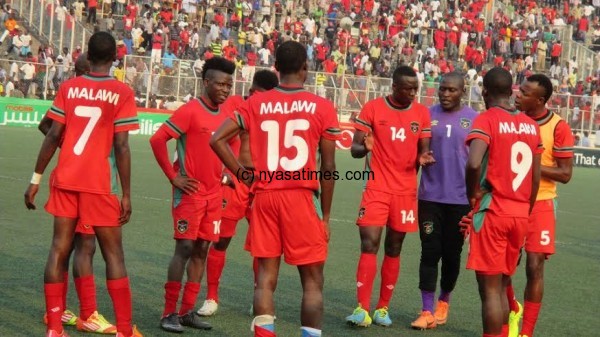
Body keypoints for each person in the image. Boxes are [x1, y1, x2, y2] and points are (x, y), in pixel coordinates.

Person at [210, 40, 340, 337]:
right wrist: (326, 217)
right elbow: (328, 168)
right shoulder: (322, 107)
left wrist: (243, 175)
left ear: (276, 69)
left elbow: (216, 139)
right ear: (306, 68)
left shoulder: (255, 103)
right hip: (302, 199)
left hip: (265, 198)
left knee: (265, 278)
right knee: (312, 281)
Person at [24, 31, 142, 337]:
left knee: (58, 250)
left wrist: (35, 179)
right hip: (100, 185)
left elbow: (50, 134)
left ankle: (54, 329)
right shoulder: (122, 92)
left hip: (65, 181)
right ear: (115, 59)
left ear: (87, 57)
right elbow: (122, 147)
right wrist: (126, 193)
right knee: (113, 255)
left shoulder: (70, 87)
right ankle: (125, 332)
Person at [149, 56, 236, 333]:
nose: (225, 89)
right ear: (206, 82)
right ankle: (168, 313)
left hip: (214, 196)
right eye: (220, 84)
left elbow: (229, 149)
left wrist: (226, 175)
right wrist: (173, 176)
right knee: (184, 249)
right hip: (190, 194)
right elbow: (157, 139)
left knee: (201, 250)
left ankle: (187, 311)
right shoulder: (190, 111)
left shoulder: (225, 116)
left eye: (229, 85)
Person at [346, 65, 435, 327]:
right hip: (376, 188)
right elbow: (354, 149)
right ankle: (362, 308)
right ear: (394, 87)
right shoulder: (372, 108)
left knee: (394, 247)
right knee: (369, 242)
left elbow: (424, 149)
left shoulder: (421, 113)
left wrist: (424, 157)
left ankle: (382, 308)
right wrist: (364, 147)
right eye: (408, 88)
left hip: (405, 192)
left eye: (415, 89)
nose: (412, 93)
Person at [37, 52, 117, 334]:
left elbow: (46, 126)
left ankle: (57, 315)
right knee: (82, 246)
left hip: (80, 177)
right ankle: (86, 314)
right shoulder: (83, 91)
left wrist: (68, 148)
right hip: (85, 181)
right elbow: (46, 126)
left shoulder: (78, 92)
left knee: (70, 246)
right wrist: (72, 150)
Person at [463, 67, 542, 337]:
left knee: (490, 291)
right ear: (512, 91)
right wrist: (526, 211)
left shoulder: (486, 119)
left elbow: (474, 163)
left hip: (494, 210)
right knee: (503, 282)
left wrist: (471, 195)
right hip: (521, 213)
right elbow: (535, 177)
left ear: (484, 91)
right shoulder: (531, 125)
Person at [198, 69, 280, 317]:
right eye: (255, 93)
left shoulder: (276, 111)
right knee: (221, 240)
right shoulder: (237, 105)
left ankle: (260, 298)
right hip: (238, 179)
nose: (258, 98)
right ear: (251, 90)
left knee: (264, 246)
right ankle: (211, 297)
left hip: (265, 183)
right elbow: (216, 135)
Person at [506, 74, 574, 337]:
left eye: (524, 92)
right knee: (504, 266)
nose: (517, 95)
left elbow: (565, 174)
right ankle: (513, 308)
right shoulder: (511, 121)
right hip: (511, 202)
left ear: (540, 100)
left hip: (543, 203)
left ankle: (526, 333)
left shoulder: (558, 126)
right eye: (519, 90)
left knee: (534, 266)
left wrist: (532, 166)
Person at [411, 72, 478, 330]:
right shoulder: (427, 115)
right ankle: (426, 310)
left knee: (451, 254)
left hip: (461, 200)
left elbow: (480, 162)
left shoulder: (474, 119)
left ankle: (444, 300)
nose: (446, 94)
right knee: (429, 252)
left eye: (451, 90)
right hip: (430, 197)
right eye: (442, 89)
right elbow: (416, 151)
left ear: (462, 91)